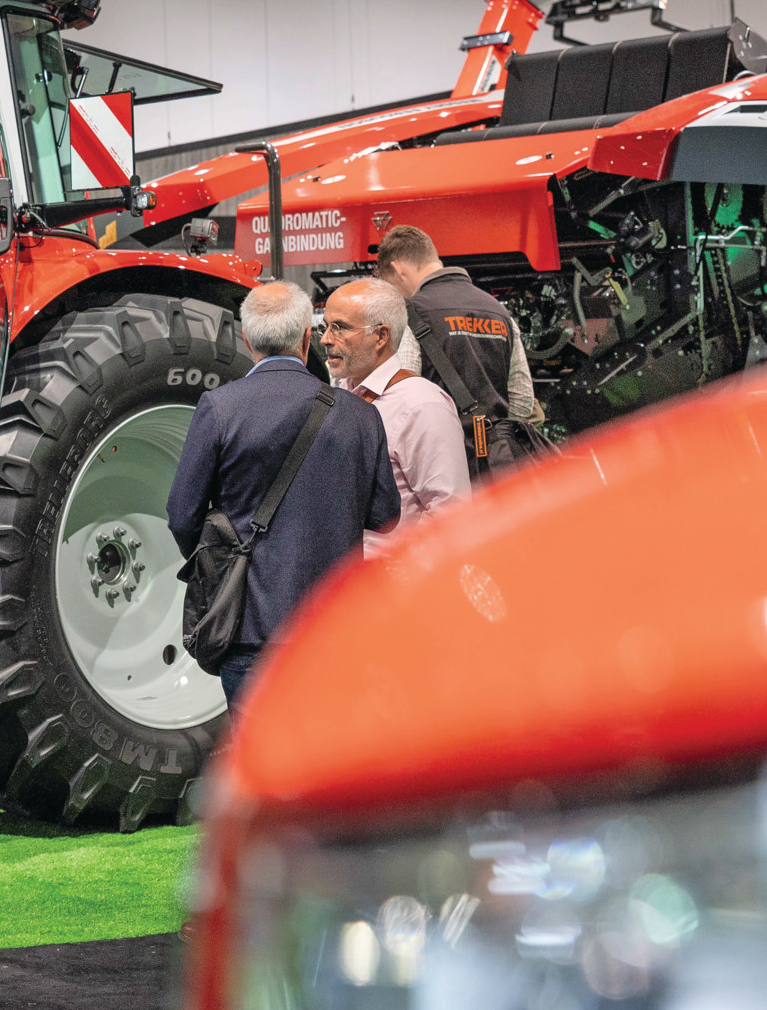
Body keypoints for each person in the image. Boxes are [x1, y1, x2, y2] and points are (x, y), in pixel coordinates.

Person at [167, 280, 399, 707]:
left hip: (250, 630)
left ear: (246, 337)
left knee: (264, 764)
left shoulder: (220, 407)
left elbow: (182, 515)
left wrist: (218, 563)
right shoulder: (362, 415)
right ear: (308, 336)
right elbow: (384, 516)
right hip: (335, 631)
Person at [372, 225, 542, 475]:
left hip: (441, 464)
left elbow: (403, 400)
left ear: (398, 269)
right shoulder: (498, 310)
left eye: (390, 284)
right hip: (498, 464)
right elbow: (522, 400)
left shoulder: (410, 313)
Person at [319, 278, 469, 540]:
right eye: (325, 326)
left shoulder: (421, 405)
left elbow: (452, 512)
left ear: (380, 336)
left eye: (339, 328)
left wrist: (398, 572)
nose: (325, 339)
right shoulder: (339, 395)